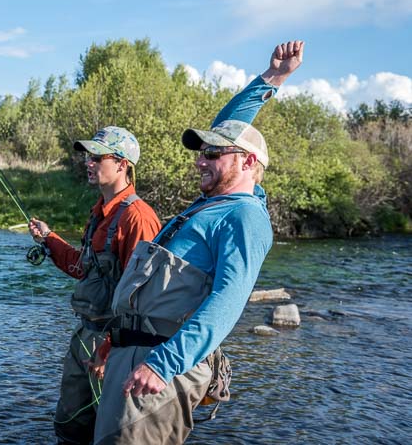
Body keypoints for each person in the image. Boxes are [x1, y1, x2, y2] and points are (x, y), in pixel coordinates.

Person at [92, 40, 305, 445]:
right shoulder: (210, 205)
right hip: (133, 353)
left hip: (161, 366)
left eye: (213, 154)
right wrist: (272, 77)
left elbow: (228, 300)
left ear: (248, 162)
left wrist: (163, 364)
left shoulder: (243, 216)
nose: (200, 161)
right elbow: (229, 126)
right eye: (202, 153)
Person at [29, 127, 161, 445]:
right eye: (88, 157)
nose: (88, 163)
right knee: (70, 424)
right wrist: (49, 239)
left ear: (122, 164)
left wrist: (108, 349)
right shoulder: (99, 213)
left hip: (115, 344)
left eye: (97, 157)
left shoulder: (138, 218)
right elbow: (83, 268)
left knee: (110, 431)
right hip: (84, 334)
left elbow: (142, 297)